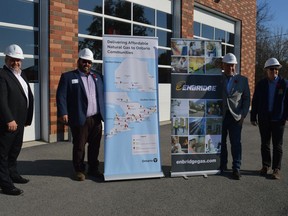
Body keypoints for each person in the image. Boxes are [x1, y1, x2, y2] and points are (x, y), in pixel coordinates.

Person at [56, 48, 105, 181]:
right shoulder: (68, 77)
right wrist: (63, 112)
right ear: (79, 61)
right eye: (84, 61)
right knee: (79, 146)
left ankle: (93, 168)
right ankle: (79, 170)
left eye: (89, 62)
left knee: (95, 146)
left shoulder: (98, 77)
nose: (87, 64)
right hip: (79, 117)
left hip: (96, 118)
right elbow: (61, 96)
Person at [0, 44, 34, 195]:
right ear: (6, 59)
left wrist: (27, 118)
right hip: (9, 123)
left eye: (18, 60)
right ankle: (5, 184)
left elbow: (26, 96)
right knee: (3, 154)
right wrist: (9, 119)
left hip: (20, 121)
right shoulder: (2, 75)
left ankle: (12, 174)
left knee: (15, 150)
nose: (16, 63)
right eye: (12, 60)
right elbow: (1, 100)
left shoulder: (21, 74)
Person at [250, 58, 288, 180]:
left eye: (276, 69)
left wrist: (286, 117)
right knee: (265, 144)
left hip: (279, 119)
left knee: (277, 145)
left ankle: (276, 169)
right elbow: (255, 101)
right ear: (267, 70)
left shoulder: (284, 84)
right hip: (264, 119)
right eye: (272, 69)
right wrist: (253, 116)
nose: (274, 71)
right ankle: (265, 166)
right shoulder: (261, 84)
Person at [220, 53, 250, 180]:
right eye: (228, 65)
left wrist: (243, 115)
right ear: (223, 65)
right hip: (220, 116)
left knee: (236, 143)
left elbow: (247, 98)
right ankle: (222, 166)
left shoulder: (243, 80)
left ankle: (236, 168)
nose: (231, 68)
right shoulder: (217, 78)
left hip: (236, 117)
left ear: (235, 66)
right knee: (221, 143)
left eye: (233, 65)